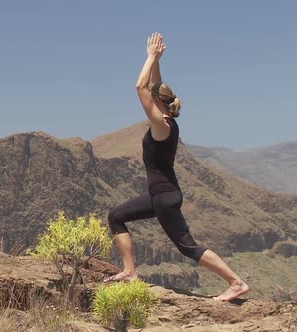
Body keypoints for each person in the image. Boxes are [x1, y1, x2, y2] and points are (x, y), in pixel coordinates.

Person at [104, 32, 250, 302]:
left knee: (187, 247)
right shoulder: (168, 120)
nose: (149, 97)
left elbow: (140, 87)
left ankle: (236, 282)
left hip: (165, 197)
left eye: (152, 97)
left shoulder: (161, 125)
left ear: (157, 102)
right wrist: (158, 60)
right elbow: (155, 85)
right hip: (159, 194)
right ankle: (129, 272)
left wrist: (148, 58)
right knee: (116, 216)